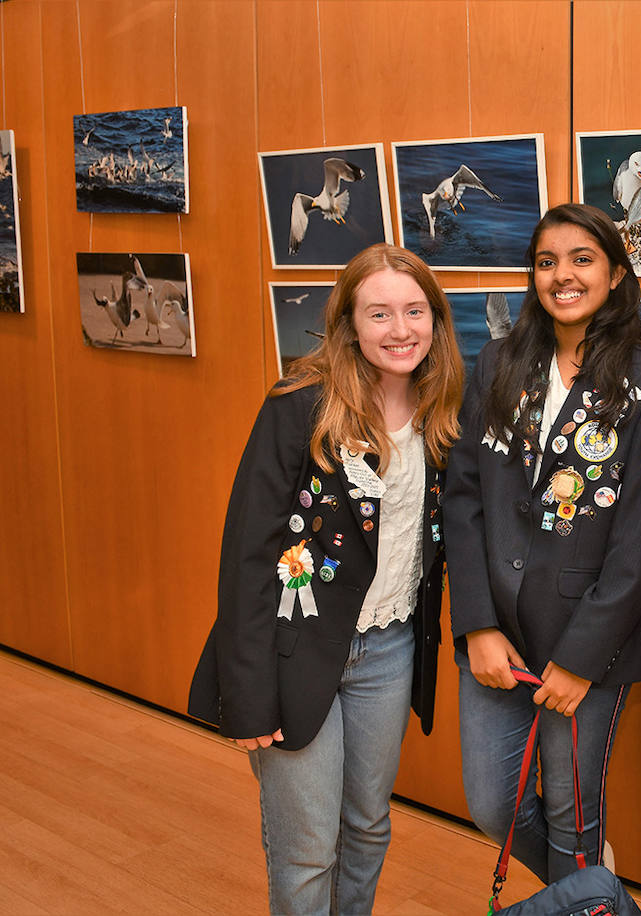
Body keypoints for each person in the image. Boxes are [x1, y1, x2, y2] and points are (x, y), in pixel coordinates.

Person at [188, 243, 464, 913]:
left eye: (414, 311)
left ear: (436, 320)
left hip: (390, 649)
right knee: (309, 846)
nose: (400, 331)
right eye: (379, 314)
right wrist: (246, 694)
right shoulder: (300, 404)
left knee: (368, 829)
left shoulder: (445, 410)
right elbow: (247, 556)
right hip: (294, 649)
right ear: (348, 323)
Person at [444, 203, 641, 885]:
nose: (562, 276)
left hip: (586, 644)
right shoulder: (499, 362)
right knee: (491, 805)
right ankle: (588, 895)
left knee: (575, 819)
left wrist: (579, 660)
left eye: (581, 260)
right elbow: (463, 498)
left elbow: (640, 538)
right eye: (546, 262)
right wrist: (477, 623)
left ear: (615, 274)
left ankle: (581, 890)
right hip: (497, 639)